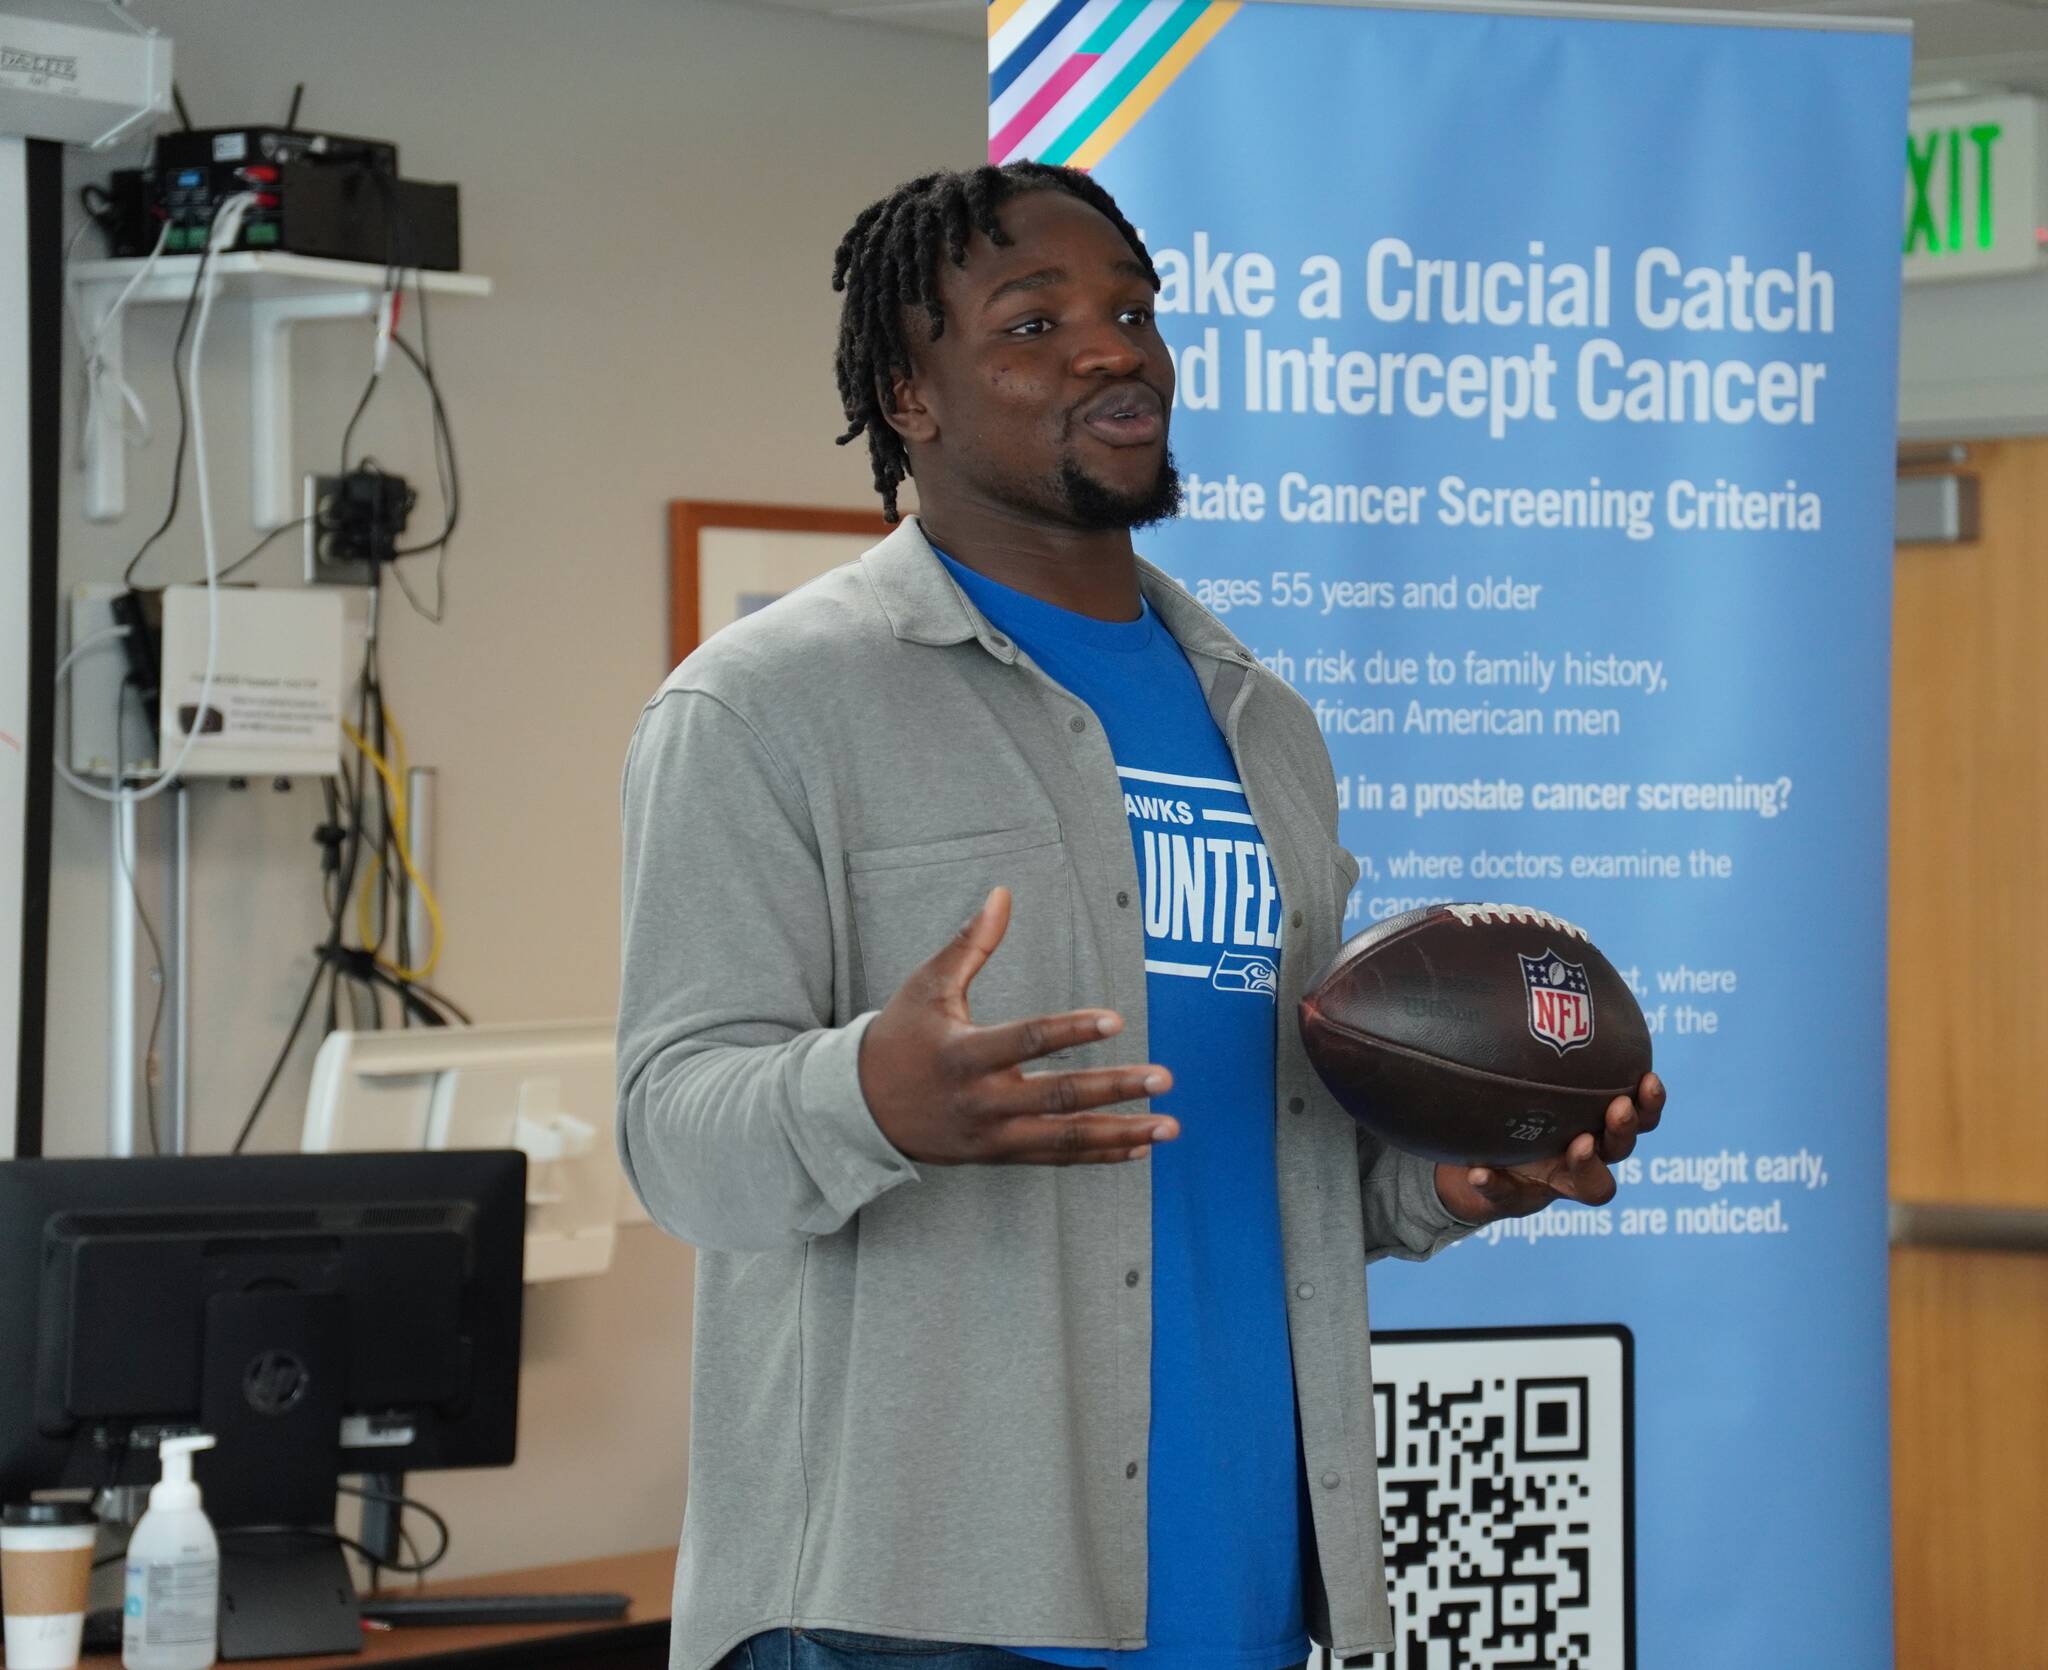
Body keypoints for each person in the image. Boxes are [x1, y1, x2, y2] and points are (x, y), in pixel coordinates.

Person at [615, 162, 1664, 1670]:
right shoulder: (767, 705)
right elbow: (672, 1135)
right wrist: (873, 1096)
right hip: (912, 1613)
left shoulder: (1264, 723)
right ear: (908, 395)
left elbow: (1291, 1160)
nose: (1113, 349)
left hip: (1237, 1596)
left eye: (1129, 310)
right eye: (1032, 322)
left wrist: (1454, 1178)